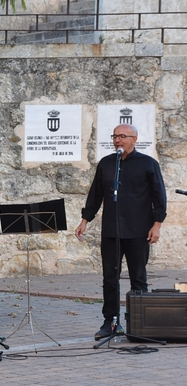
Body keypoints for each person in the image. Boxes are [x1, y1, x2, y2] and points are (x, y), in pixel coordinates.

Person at [75, 124, 166, 341]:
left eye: (123, 136)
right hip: (111, 231)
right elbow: (95, 195)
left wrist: (157, 225)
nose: (117, 140)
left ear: (134, 139)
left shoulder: (148, 164)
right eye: (115, 136)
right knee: (110, 278)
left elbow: (159, 196)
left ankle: (140, 324)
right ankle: (110, 322)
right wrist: (85, 220)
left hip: (138, 230)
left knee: (138, 278)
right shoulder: (107, 163)